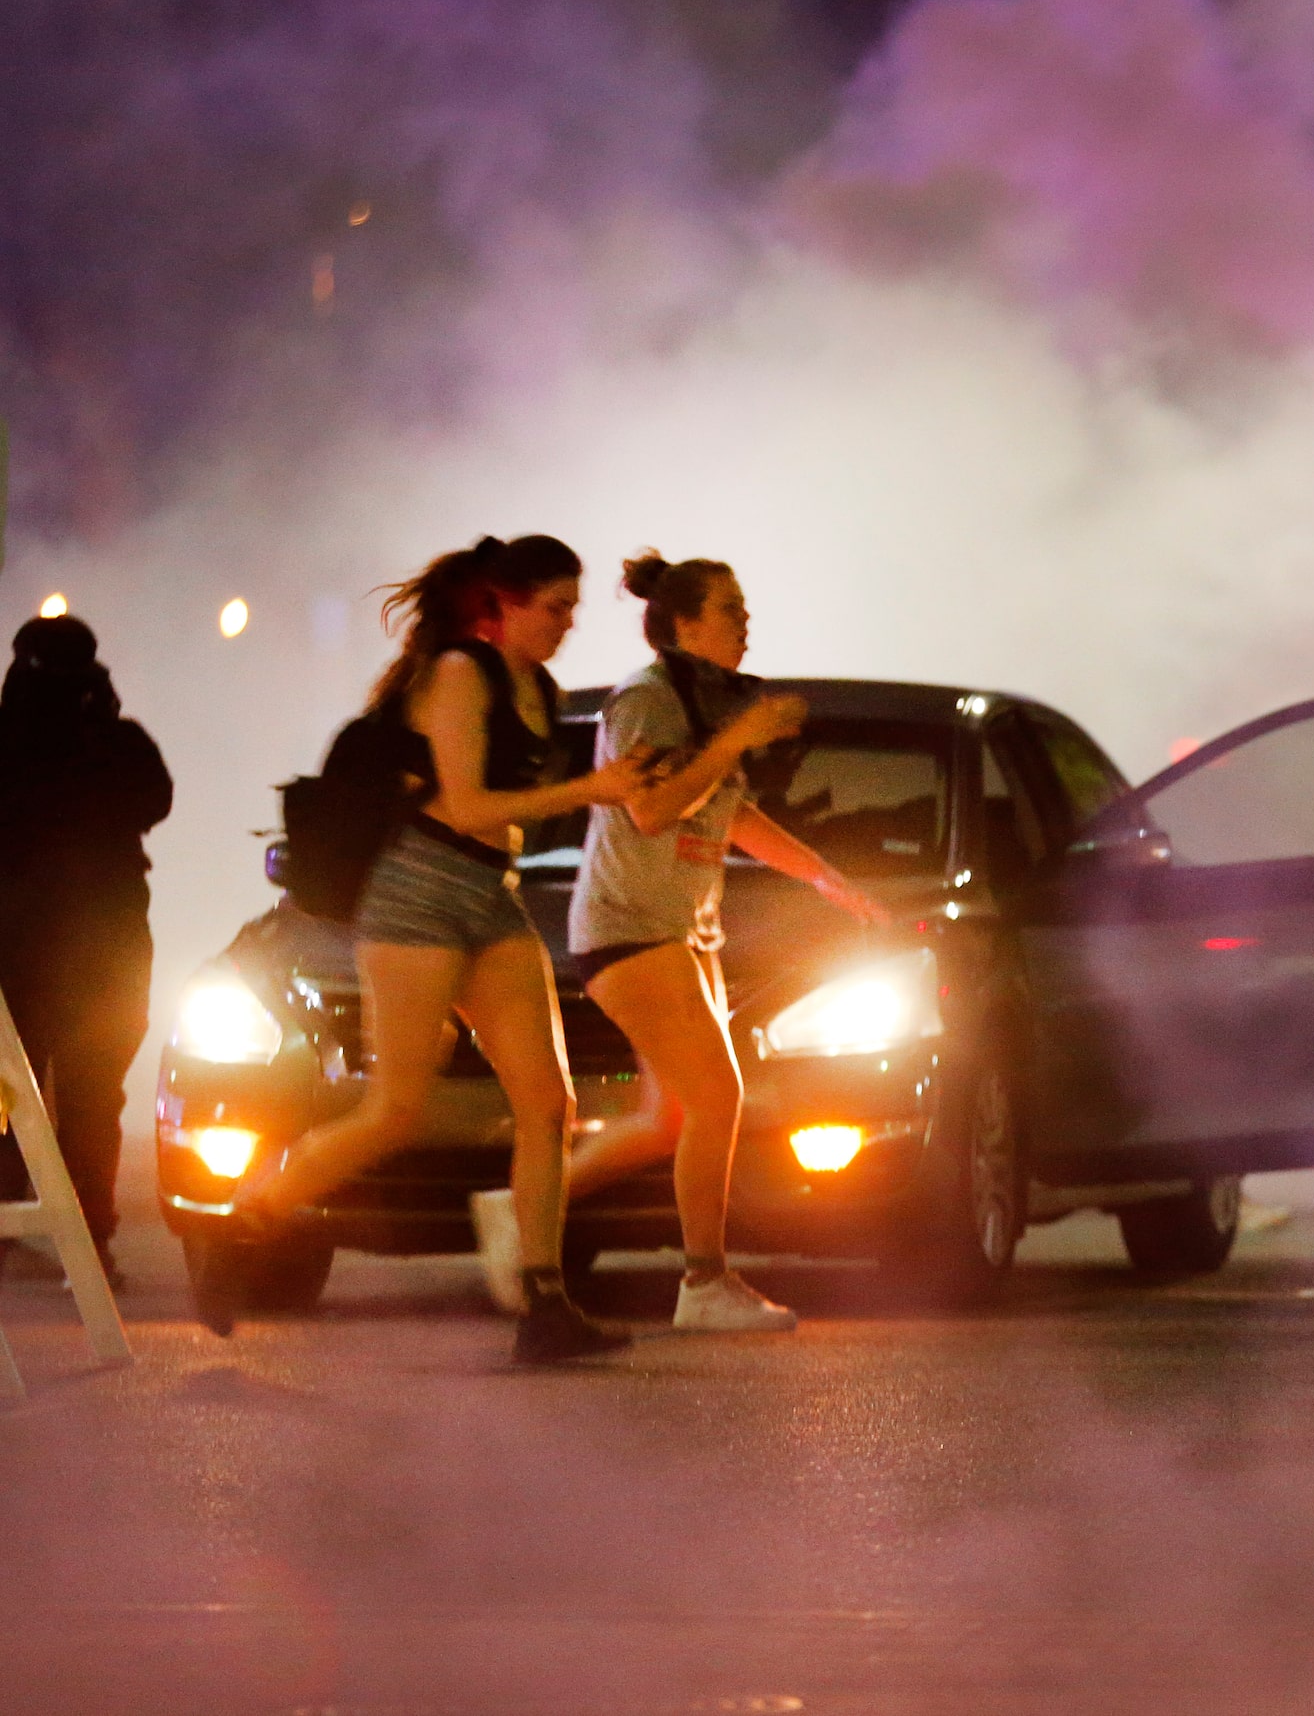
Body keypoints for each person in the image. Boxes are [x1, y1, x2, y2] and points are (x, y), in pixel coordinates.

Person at [199, 536, 650, 1364]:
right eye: (554, 606)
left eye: (573, 609)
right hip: (418, 896)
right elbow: (471, 805)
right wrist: (598, 789)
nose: (565, 624)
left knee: (547, 1104)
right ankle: (246, 1225)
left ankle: (544, 1303)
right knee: (395, 1110)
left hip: (489, 896)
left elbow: (509, 817)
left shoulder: (539, 688)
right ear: (502, 604)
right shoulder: (457, 674)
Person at [471, 551, 891, 1332]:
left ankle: (519, 1206)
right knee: (719, 1096)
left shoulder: (704, 704)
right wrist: (738, 739)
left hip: (681, 931)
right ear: (685, 624)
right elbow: (653, 809)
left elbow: (729, 815)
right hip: (629, 927)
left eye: (743, 609)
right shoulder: (647, 701)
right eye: (730, 609)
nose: (745, 623)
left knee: (669, 1119)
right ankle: (704, 1282)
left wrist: (830, 879)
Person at [0, 616, 171, 1287]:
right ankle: (89, 1245)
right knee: (95, 1099)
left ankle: (16, 1222)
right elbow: (155, 800)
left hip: (19, 944)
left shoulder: (9, 740)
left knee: (10, 1094)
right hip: (112, 942)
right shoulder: (118, 740)